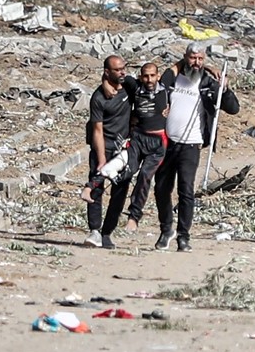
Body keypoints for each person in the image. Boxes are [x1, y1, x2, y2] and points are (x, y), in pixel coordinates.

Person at [154, 43, 240, 252]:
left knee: (186, 190)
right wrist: (183, 64)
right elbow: (163, 78)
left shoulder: (208, 83)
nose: (196, 63)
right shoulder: (174, 80)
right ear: (185, 58)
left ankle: (184, 236)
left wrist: (225, 88)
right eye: (192, 58)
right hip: (168, 143)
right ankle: (166, 229)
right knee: (161, 189)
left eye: (200, 59)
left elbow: (233, 108)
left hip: (191, 145)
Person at [80, 55, 134, 249]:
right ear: (107, 72)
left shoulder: (128, 85)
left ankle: (107, 233)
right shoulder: (99, 97)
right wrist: (102, 158)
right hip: (105, 145)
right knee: (96, 187)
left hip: (124, 149)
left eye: (123, 68)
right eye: (117, 70)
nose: (122, 72)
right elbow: (97, 130)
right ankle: (94, 230)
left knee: (120, 191)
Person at [123, 62, 170, 233]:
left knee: (144, 176)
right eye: (145, 76)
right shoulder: (134, 87)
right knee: (126, 171)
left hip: (158, 141)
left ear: (158, 76)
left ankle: (134, 217)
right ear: (140, 76)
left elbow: (180, 65)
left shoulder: (166, 88)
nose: (149, 79)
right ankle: (114, 212)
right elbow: (115, 76)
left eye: (152, 75)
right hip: (138, 138)